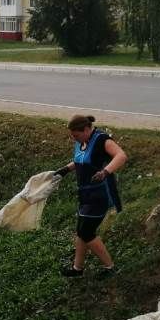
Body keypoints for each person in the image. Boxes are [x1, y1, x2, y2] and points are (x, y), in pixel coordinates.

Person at [53, 114, 128, 278]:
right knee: (81, 231)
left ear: (86, 129)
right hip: (85, 194)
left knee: (86, 232)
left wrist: (105, 172)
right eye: (72, 136)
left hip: (99, 194)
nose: (74, 139)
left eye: (76, 135)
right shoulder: (82, 142)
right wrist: (65, 169)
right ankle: (77, 269)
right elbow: (80, 161)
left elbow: (121, 156)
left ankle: (110, 268)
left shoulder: (101, 140)